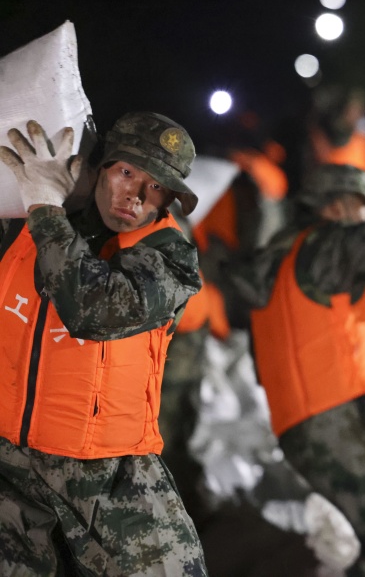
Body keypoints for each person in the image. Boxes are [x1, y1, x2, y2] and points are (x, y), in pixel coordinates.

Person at [0, 112, 207, 575]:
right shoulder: (24, 224)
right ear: (101, 167)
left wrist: (45, 208)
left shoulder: (169, 256)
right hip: (10, 462)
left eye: (155, 186)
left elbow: (92, 309)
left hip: (110, 474)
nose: (133, 195)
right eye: (127, 172)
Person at [230, 163, 365, 577]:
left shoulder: (279, 261)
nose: (364, 219)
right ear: (338, 207)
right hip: (338, 413)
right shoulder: (321, 251)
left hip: (306, 423)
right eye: (362, 209)